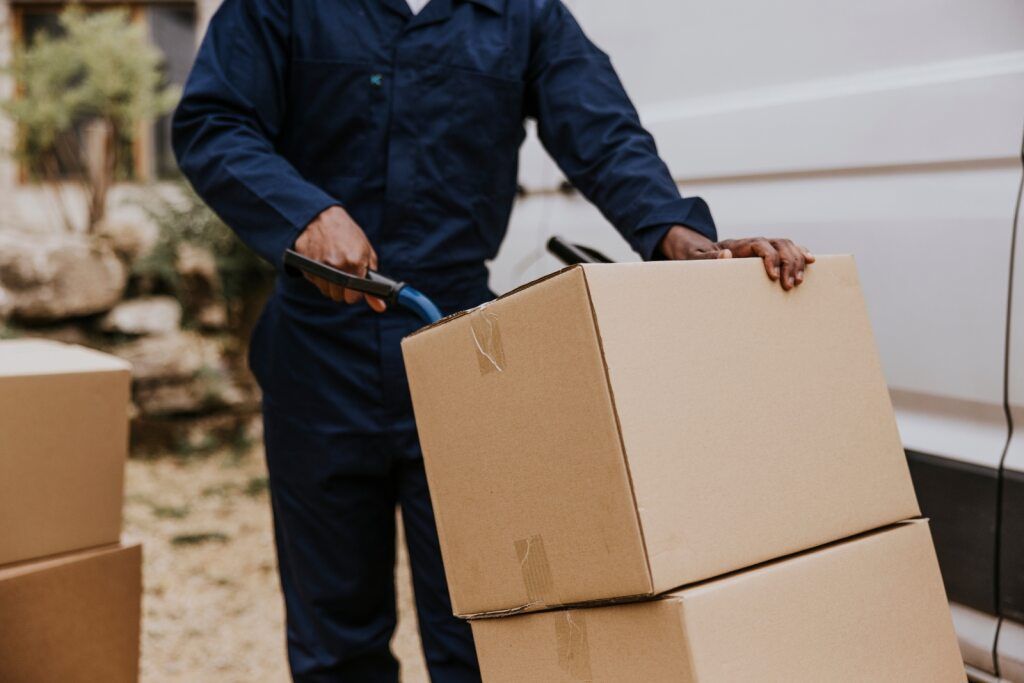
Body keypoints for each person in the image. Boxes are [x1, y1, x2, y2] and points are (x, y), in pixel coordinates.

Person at [172, 0, 813, 680]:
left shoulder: (520, 13)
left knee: (483, 626)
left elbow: (602, 131)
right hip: (319, 350)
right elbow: (214, 121)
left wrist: (677, 236)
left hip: (460, 346)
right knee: (336, 638)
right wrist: (306, 214)